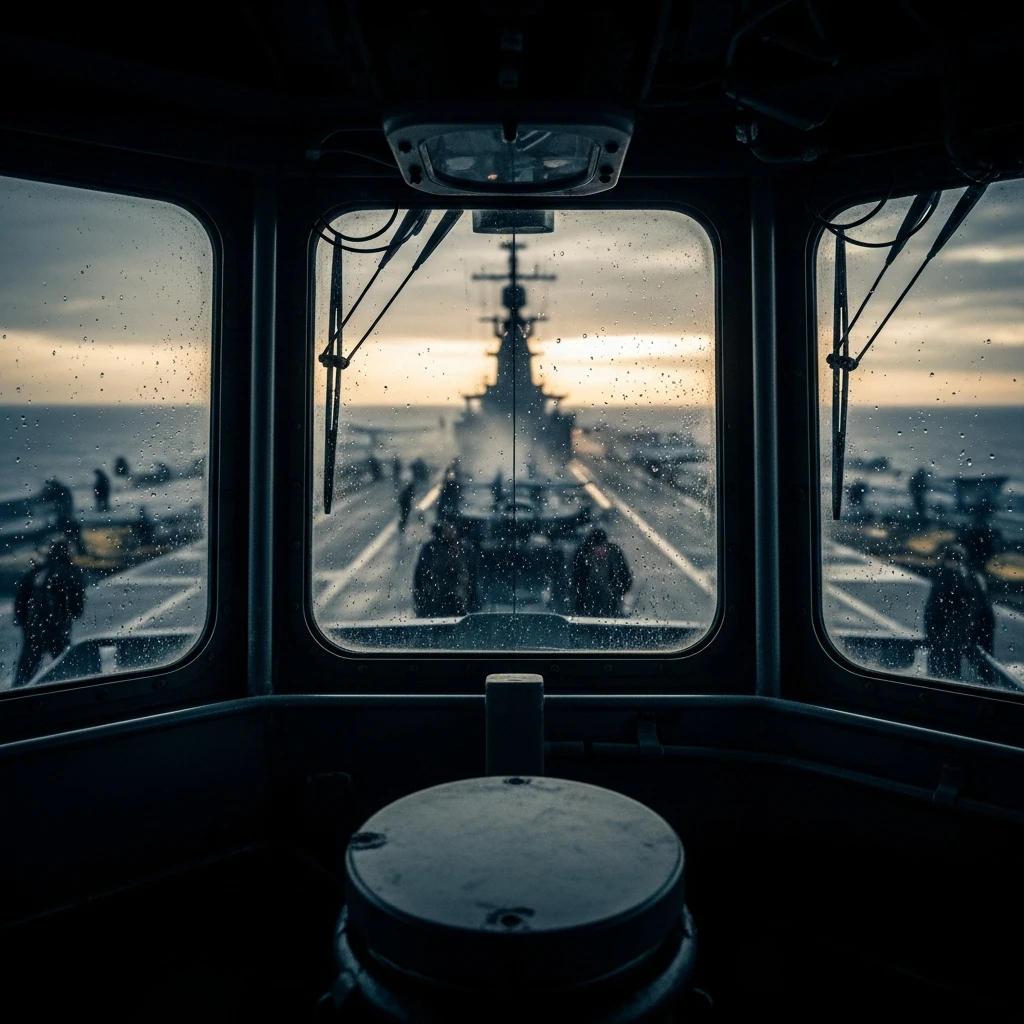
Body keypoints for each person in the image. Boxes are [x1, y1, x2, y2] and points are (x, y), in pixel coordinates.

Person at [12, 538, 86, 687]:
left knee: (26, 669)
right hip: (58, 627)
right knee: (67, 665)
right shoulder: (70, 572)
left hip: (34, 627)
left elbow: (21, 598)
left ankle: (17, 694)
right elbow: (76, 606)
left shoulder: (39, 571)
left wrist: (23, 621)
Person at [924, 543, 993, 681]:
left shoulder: (967, 577)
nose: (952, 563)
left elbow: (976, 608)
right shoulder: (945, 575)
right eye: (950, 559)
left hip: (971, 624)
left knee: (974, 659)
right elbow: (933, 607)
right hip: (953, 624)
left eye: (955, 560)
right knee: (943, 656)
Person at [413, 523, 473, 617]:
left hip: (454, 601)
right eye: (447, 528)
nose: (451, 531)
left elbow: (468, 576)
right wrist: (421, 601)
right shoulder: (430, 549)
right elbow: (420, 576)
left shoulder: (461, 548)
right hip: (434, 599)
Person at [571, 528, 633, 617]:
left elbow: (626, 577)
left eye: (602, 547)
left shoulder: (615, 555)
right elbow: (576, 580)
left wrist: (618, 592)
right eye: (597, 547)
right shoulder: (582, 556)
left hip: (612, 603)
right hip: (588, 604)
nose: (600, 551)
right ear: (591, 547)